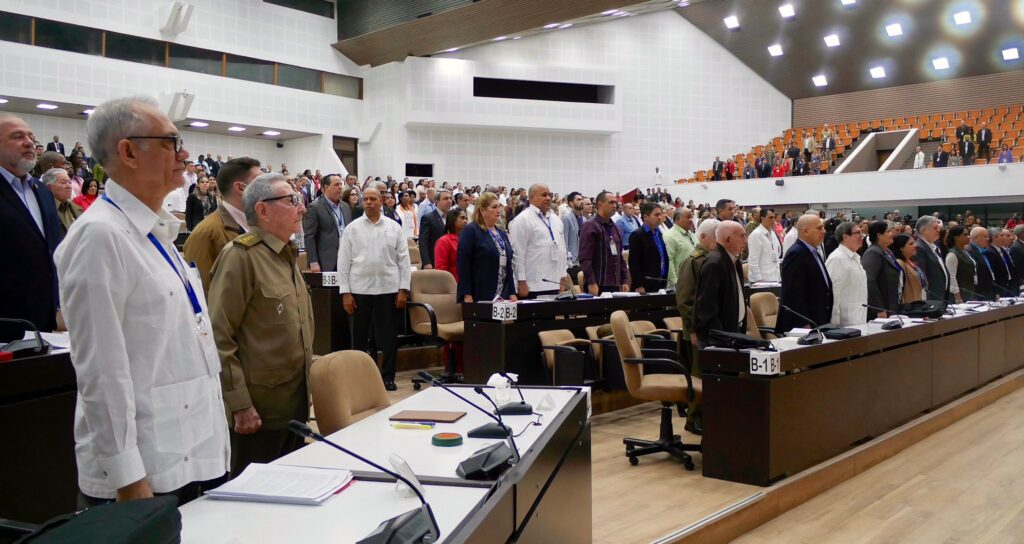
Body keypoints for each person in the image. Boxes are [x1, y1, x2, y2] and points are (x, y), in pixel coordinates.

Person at [54, 96, 228, 505]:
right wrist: (127, 477)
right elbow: (101, 370)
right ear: (128, 152)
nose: (184, 153)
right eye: (171, 142)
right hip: (146, 472)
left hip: (190, 448)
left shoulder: (155, 232)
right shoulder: (100, 235)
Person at [208, 173, 313, 476]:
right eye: (292, 200)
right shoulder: (240, 257)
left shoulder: (285, 254)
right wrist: (239, 404)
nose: (302, 208)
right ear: (263, 210)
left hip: (293, 405)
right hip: (258, 412)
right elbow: (218, 336)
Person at [337, 187, 410, 391]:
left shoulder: (394, 227)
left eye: (373, 199)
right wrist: (345, 293)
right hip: (359, 290)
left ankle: (388, 377)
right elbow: (343, 262)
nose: (368, 202)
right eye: (366, 199)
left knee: (389, 339)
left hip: (388, 290)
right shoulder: (352, 229)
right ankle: (360, 380)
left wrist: (403, 289)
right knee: (359, 339)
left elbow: (404, 260)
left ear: (381, 201)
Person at [0, 115, 63, 341]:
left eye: (31, 137)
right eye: (17, 137)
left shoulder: (42, 191)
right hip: (6, 320)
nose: (29, 142)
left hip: (42, 320)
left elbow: (51, 249)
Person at [184, 157, 262, 293]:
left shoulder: (260, 224)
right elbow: (205, 292)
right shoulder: (205, 234)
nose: (268, 188)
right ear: (240, 188)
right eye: (260, 182)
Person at [508, 184, 570, 298]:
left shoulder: (556, 220)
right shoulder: (522, 220)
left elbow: (562, 250)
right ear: (532, 198)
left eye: (549, 195)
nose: (548, 198)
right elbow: (517, 254)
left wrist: (563, 276)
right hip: (532, 285)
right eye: (544, 195)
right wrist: (521, 281)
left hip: (555, 283)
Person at [776, 214, 834, 333]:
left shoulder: (812, 251)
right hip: (804, 325)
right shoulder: (796, 254)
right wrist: (803, 324)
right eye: (819, 228)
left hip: (818, 320)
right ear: (806, 231)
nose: (824, 231)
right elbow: (793, 294)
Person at [693, 221, 748, 345]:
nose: (746, 240)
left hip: (733, 332)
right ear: (728, 239)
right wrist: (722, 339)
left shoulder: (734, 260)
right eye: (742, 236)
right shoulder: (714, 263)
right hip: (719, 339)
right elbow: (706, 308)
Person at [457, 192, 517, 303]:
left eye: (499, 206)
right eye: (494, 207)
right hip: (480, 292)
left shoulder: (501, 232)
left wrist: (512, 292)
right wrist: (467, 294)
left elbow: (508, 265)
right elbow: (463, 265)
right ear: (482, 210)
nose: (498, 210)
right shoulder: (470, 231)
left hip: (503, 293)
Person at [579, 191, 630, 294]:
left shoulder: (616, 228)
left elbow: (620, 257)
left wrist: (624, 279)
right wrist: (591, 282)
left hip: (615, 284)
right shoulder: (590, 226)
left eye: (615, 203)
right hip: (598, 284)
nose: (615, 205)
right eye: (611, 202)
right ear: (600, 204)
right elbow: (585, 259)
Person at [301, 174, 349, 273]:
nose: (340, 187)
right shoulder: (315, 207)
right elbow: (309, 236)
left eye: (341, 184)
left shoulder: (346, 207)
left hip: (346, 259)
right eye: (336, 184)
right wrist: (313, 262)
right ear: (326, 188)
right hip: (326, 261)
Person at [825, 222, 868, 326]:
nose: (861, 236)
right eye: (858, 233)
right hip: (844, 323)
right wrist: (834, 325)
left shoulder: (855, 257)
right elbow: (833, 293)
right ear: (845, 236)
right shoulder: (837, 258)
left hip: (858, 318)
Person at [861, 221, 902, 319]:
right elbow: (869, 281)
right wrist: (879, 309)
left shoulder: (887, 251)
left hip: (892, 303)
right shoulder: (873, 252)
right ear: (879, 235)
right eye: (888, 232)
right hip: (882, 308)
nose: (892, 234)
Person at [628, 202, 669, 293]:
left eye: (660, 214)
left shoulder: (659, 233)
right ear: (646, 217)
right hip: (645, 284)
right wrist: (638, 285)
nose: (660, 217)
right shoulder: (637, 235)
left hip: (660, 282)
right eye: (656, 215)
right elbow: (634, 263)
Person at [913, 216, 949, 301]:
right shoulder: (919, 248)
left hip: (940, 295)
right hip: (931, 297)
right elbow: (921, 276)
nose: (939, 230)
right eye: (935, 228)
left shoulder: (934, 246)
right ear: (924, 230)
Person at [42, 167, 83, 236]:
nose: (69, 186)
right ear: (48, 187)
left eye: (69, 182)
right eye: (63, 183)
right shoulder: (43, 210)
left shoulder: (75, 207)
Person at [663, 206, 697, 288]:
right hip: (680, 283)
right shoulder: (669, 236)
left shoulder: (692, 235)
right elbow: (669, 261)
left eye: (691, 217)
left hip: (694, 280)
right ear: (677, 219)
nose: (691, 220)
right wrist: (674, 282)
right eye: (688, 217)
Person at [418, 189, 453, 270]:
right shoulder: (428, 218)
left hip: (450, 261)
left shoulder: (452, 217)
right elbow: (423, 242)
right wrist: (426, 262)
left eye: (450, 198)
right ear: (437, 201)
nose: (449, 201)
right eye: (445, 198)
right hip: (434, 261)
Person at [747, 208, 782, 283]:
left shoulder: (772, 232)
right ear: (762, 218)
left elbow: (777, 252)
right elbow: (753, 259)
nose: (773, 220)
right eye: (770, 218)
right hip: (762, 279)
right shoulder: (756, 234)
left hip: (774, 276)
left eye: (774, 217)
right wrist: (759, 280)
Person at [945, 225, 975, 303]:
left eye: (968, 234)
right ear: (956, 237)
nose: (968, 237)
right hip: (960, 294)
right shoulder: (952, 254)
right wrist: (957, 296)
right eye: (965, 235)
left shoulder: (965, 251)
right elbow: (951, 277)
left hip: (969, 290)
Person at [892, 234, 925, 304]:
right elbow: (898, 289)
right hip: (908, 305)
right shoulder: (899, 263)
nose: (915, 245)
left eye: (914, 242)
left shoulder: (910, 261)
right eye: (911, 244)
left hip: (918, 302)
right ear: (901, 248)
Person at [435, 208, 466, 282]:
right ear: (453, 220)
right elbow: (441, 270)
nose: (465, 221)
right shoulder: (443, 241)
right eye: (462, 218)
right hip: (452, 284)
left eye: (466, 218)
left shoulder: (466, 239)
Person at [965, 227, 996, 300]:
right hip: (979, 292)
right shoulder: (969, 251)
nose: (988, 239)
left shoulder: (983, 250)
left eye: (988, 236)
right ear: (976, 238)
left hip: (989, 289)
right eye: (985, 236)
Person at [987, 228, 1018, 296]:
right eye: (1002, 235)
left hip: (1010, 285)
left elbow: (1008, 265)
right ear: (994, 238)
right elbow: (993, 273)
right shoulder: (990, 252)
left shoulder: (1002, 250)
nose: (1004, 237)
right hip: (1000, 287)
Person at [561, 192, 584, 280]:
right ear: (571, 203)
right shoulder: (566, 218)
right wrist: (568, 262)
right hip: (572, 261)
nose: (581, 201)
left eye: (582, 199)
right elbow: (564, 242)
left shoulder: (583, 218)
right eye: (578, 199)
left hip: (581, 259)